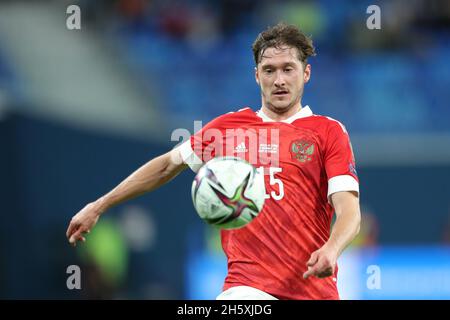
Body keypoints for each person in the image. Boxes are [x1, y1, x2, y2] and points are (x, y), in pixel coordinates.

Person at [66, 22, 361, 300]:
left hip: (313, 290)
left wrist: (332, 249)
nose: (279, 80)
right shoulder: (228, 129)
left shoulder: (328, 132)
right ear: (257, 75)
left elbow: (349, 212)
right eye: (269, 70)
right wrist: (99, 205)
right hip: (246, 288)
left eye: (288, 69)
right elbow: (168, 164)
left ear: (306, 73)